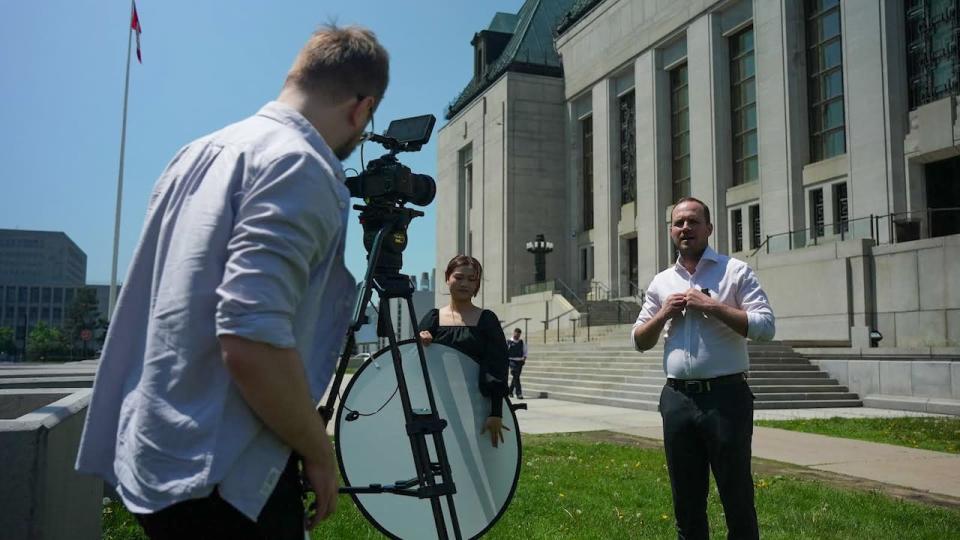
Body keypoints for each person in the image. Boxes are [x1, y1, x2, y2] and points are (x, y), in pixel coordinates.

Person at [75, 25, 389, 539]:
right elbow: (251, 341)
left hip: (159, 455)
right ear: (361, 109)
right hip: (224, 473)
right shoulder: (301, 165)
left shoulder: (195, 154)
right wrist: (317, 449)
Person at [631, 197, 775, 540]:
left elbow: (765, 327)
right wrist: (664, 313)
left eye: (693, 221)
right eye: (679, 223)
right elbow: (638, 339)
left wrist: (712, 306)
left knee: (736, 495)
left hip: (726, 398)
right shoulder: (661, 282)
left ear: (709, 228)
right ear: (671, 231)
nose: (686, 228)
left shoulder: (735, 271)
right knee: (686, 500)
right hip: (678, 400)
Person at [418, 255, 511, 448]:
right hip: (438, 404)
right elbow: (415, 362)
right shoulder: (433, 319)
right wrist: (420, 342)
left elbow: (497, 367)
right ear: (447, 278)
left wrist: (495, 413)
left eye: (471, 279)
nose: (464, 284)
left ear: (477, 284)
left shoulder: (487, 319)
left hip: (477, 406)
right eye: (459, 277)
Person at [506, 328, 527, 399]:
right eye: (516, 333)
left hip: (520, 361)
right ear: (514, 333)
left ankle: (510, 391)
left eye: (519, 334)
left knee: (516, 377)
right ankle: (519, 393)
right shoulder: (509, 342)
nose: (517, 335)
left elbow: (525, 351)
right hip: (511, 361)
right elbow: (505, 351)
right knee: (516, 376)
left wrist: (524, 358)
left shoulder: (522, 342)